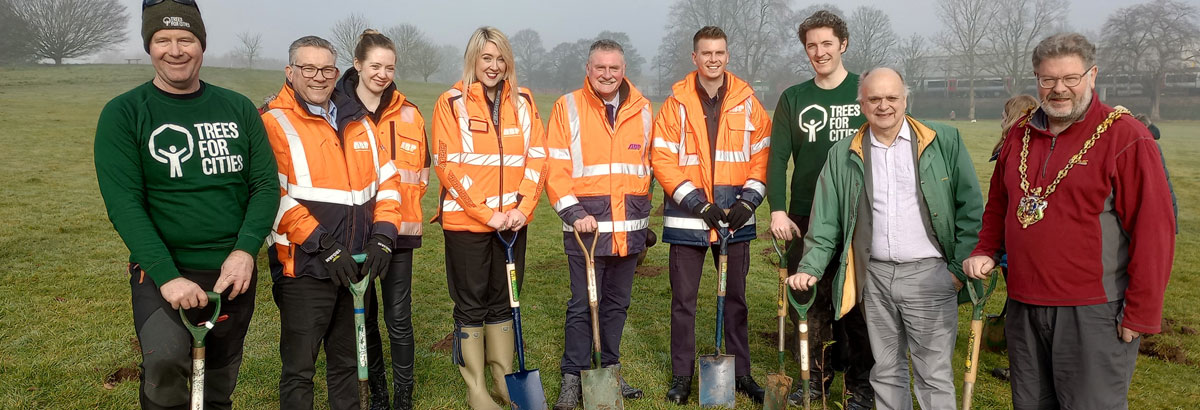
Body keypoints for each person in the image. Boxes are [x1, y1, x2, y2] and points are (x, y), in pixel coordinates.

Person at [964, 33, 1176, 410]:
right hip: (1024, 305)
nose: (1059, 89)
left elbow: (1153, 231)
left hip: (1094, 311)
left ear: (1092, 75)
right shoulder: (1019, 133)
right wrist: (986, 249)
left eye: (1070, 78)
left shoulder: (1126, 137)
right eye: (1047, 79)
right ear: (1036, 79)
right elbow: (999, 203)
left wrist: (1140, 313)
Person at [94, 1, 278, 408]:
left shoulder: (238, 108)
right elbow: (124, 204)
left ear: (202, 45)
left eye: (185, 39)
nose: (175, 50)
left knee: (218, 382)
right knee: (167, 368)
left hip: (232, 272)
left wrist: (246, 250)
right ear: (149, 46)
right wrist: (167, 276)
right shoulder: (124, 114)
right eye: (162, 40)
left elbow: (265, 185)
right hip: (164, 272)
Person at [785, 68, 983, 410]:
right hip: (874, 278)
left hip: (931, 276)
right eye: (874, 99)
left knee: (933, 374)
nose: (884, 106)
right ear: (861, 104)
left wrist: (956, 270)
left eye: (892, 97)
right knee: (886, 371)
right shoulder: (843, 152)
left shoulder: (944, 141)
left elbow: (971, 207)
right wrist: (811, 267)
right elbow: (826, 219)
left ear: (905, 99)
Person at [260, 35, 403, 410]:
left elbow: (388, 181)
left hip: (356, 265)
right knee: (299, 369)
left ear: (336, 71)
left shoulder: (358, 120)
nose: (319, 77)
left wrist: (385, 236)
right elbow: (271, 196)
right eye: (308, 68)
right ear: (290, 72)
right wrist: (323, 244)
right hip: (305, 268)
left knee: (347, 364)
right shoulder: (272, 121)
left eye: (326, 69)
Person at [651, 25, 771, 405]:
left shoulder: (749, 102)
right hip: (690, 221)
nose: (713, 59)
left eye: (719, 52)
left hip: (735, 221)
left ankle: (741, 374)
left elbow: (762, 155)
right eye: (706, 53)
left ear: (727, 56)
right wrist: (698, 204)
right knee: (683, 301)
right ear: (695, 58)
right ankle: (682, 375)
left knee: (736, 299)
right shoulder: (675, 104)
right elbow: (663, 160)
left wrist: (748, 202)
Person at [430, 26, 547, 410]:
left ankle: (503, 379)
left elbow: (537, 159)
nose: (494, 66)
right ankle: (477, 388)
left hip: (512, 224)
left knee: (504, 301)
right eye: (486, 58)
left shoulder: (525, 102)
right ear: (473, 59)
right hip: (468, 224)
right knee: (471, 303)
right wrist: (487, 214)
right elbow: (447, 166)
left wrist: (521, 210)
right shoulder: (452, 102)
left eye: (501, 59)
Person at [765, 10, 873, 408]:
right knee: (809, 299)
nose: (819, 52)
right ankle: (815, 380)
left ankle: (860, 385)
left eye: (827, 43)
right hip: (806, 214)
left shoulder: (864, 91)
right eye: (812, 45)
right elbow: (777, 159)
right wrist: (779, 211)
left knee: (860, 303)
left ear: (842, 44)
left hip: (860, 214)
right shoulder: (794, 97)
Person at [544, 39, 651, 409]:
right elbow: (554, 170)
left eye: (614, 68)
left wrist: (644, 224)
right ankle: (572, 377)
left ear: (624, 70)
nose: (607, 74)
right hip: (585, 230)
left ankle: (610, 372)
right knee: (581, 304)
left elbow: (652, 169)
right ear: (588, 70)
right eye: (600, 67)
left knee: (617, 305)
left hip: (628, 233)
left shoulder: (643, 110)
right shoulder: (567, 107)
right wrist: (575, 215)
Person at [332, 29, 428, 410]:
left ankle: (403, 396)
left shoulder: (409, 113)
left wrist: (398, 217)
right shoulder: (335, 110)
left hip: (398, 233)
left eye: (390, 67)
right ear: (357, 65)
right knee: (364, 317)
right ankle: (378, 393)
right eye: (375, 65)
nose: (383, 73)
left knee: (398, 318)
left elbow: (420, 174)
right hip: (354, 237)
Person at [991, 95, 1039, 161]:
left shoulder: (1013, 152)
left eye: (1003, 117)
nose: (1001, 123)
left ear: (1009, 120)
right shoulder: (1041, 147)